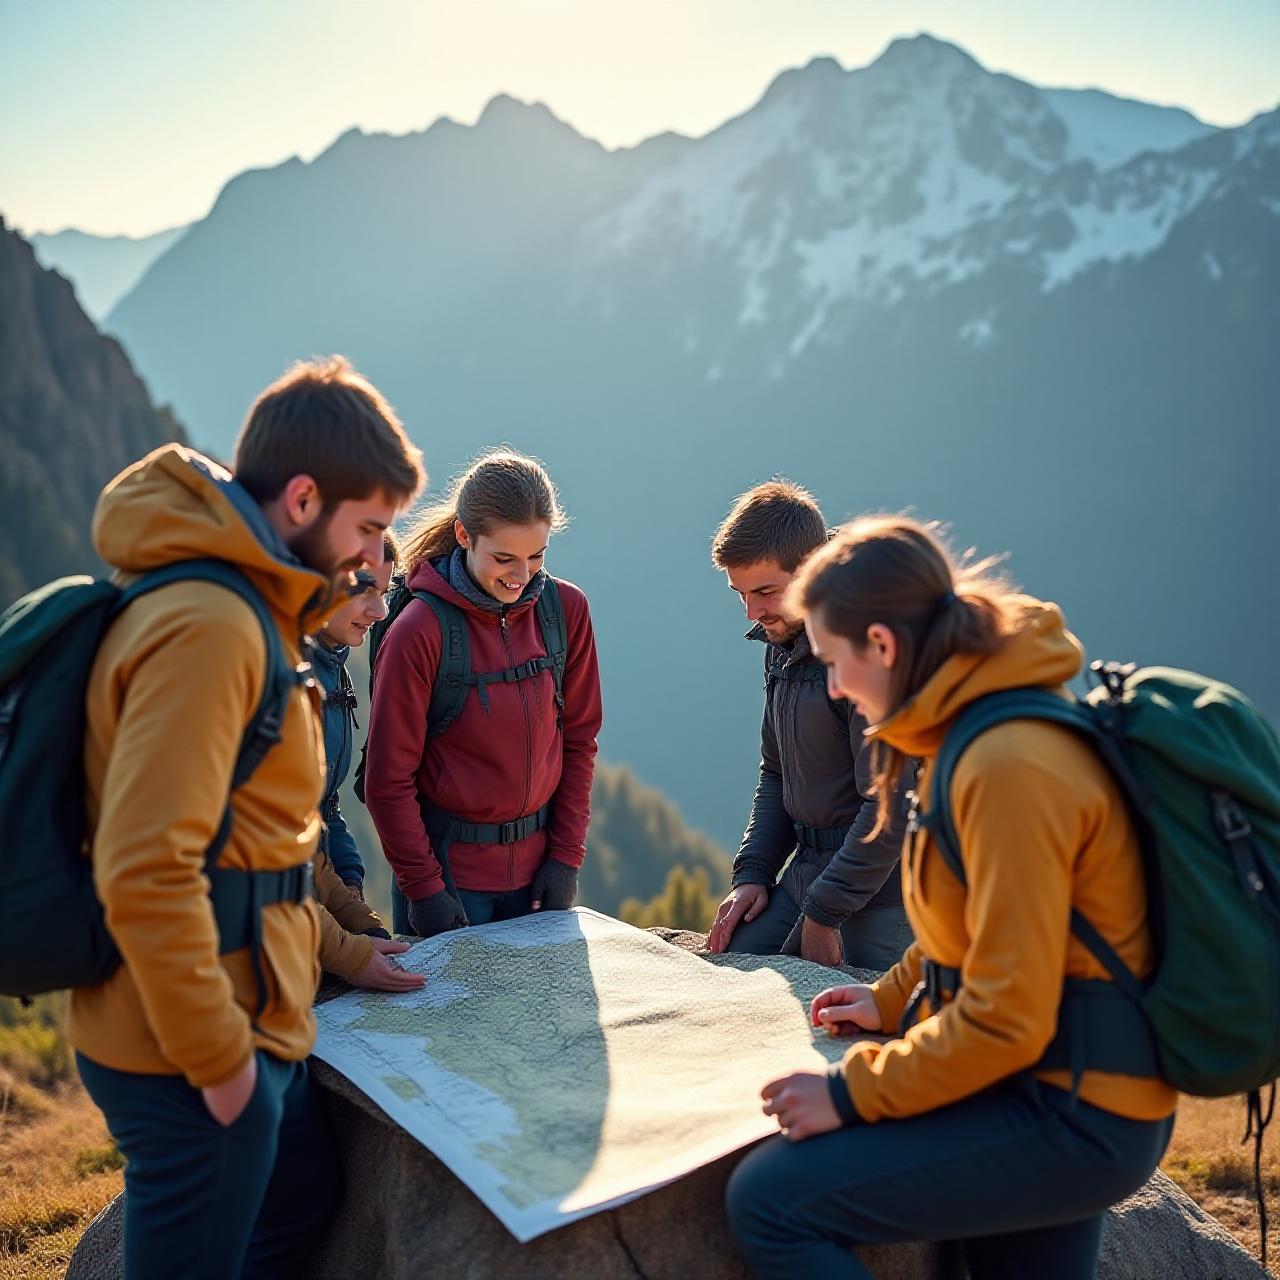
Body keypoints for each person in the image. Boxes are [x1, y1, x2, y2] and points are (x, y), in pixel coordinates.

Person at [725, 515, 1177, 1280]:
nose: (832, 685)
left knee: (770, 1200)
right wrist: (892, 997)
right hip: (1067, 1085)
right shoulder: (972, 728)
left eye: (835, 662)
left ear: (885, 647)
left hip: (1070, 1109)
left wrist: (851, 1094)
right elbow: (975, 935)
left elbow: (1005, 1017)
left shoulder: (1005, 767)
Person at [70, 357, 424, 1280]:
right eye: (371, 530)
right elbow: (147, 864)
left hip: (235, 1016)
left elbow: (259, 845)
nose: (375, 562)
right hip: (194, 1045)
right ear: (304, 499)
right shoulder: (213, 626)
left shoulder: (239, 612)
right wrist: (224, 1064)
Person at [364, 449, 602, 937]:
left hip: (538, 881)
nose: (522, 575)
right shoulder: (419, 631)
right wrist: (424, 888)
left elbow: (579, 741)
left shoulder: (566, 612)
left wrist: (565, 857)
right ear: (463, 536)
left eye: (537, 556)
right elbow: (388, 780)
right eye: (504, 558)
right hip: (450, 881)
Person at [706, 481, 911, 969]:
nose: (753, 613)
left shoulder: (865, 652)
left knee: (851, 1017)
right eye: (741, 594)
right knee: (732, 969)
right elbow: (775, 771)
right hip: (807, 874)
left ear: (812, 571)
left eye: (766, 592)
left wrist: (824, 915)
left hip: (882, 891)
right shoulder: (782, 644)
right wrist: (753, 873)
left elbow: (888, 805)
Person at [311, 531, 425, 994]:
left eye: (383, 591)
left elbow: (322, 808)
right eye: (363, 590)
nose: (379, 611)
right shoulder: (276, 683)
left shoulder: (330, 664)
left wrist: (355, 903)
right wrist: (350, 952)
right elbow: (263, 869)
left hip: (311, 914)